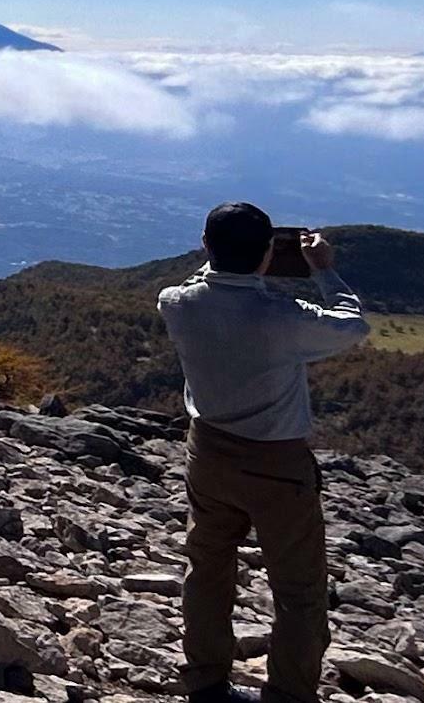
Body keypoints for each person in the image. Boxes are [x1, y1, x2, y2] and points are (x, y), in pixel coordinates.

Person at [157, 202, 371, 703]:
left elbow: (199, 278)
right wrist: (324, 270)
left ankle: (206, 681)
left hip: (207, 453)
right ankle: (288, 695)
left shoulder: (176, 303)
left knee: (207, 568)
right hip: (277, 464)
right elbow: (351, 324)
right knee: (298, 591)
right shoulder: (282, 318)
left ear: (206, 245)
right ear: (267, 255)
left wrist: (225, 256)